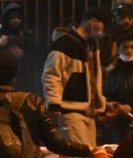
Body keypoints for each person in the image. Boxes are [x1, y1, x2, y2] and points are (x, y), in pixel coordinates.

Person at [42, 8, 111, 148]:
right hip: (70, 110)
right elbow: (51, 75)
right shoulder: (64, 44)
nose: (103, 32)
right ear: (93, 21)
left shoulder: (91, 45)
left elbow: (92, 77)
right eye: (102, 25)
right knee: (79, 157)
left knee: (89, 156)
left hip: (88, 111)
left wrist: (100, 102)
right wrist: (54, 105)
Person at [0, 3, 38, 92]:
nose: (16, 20)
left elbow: (37, 56)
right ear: (6, 18)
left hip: (21, 78)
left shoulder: (27, 35)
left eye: (18, 18)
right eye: (12, 18)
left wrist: (23, 54)